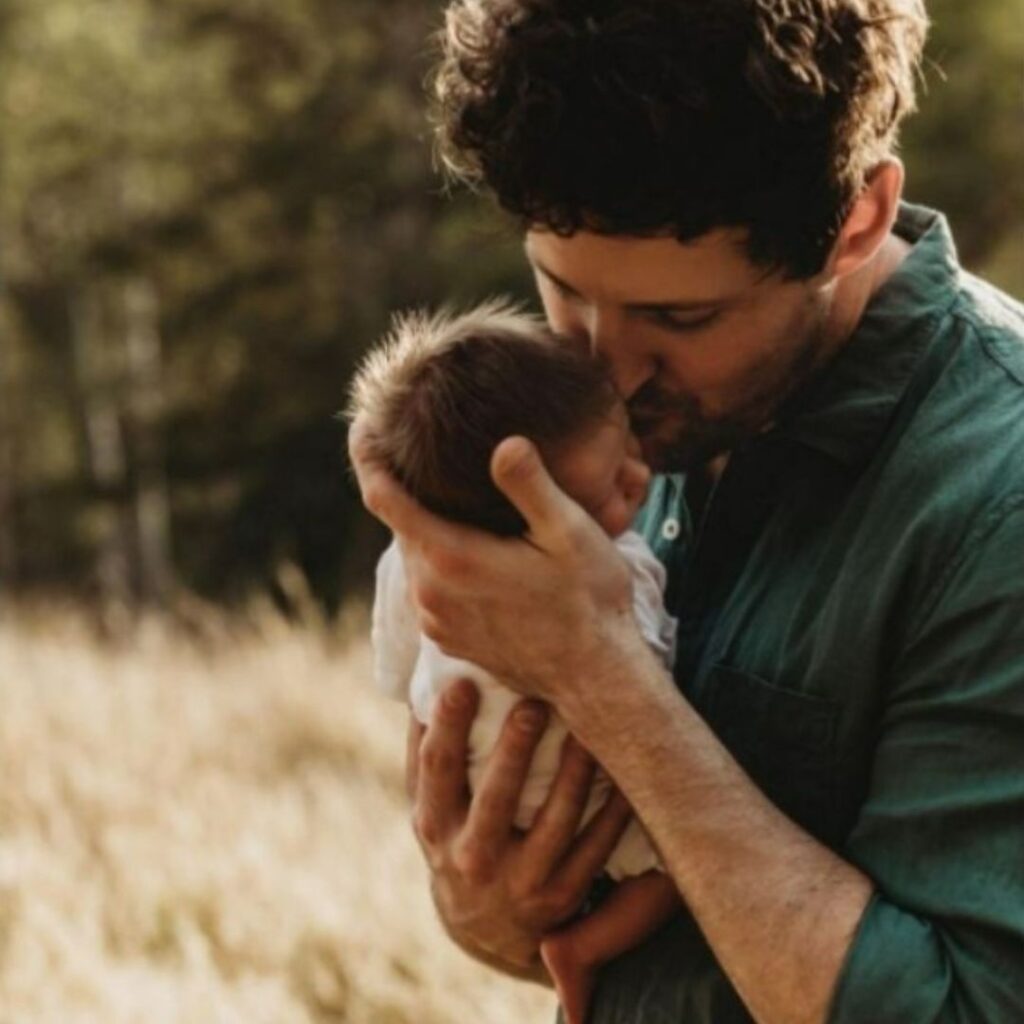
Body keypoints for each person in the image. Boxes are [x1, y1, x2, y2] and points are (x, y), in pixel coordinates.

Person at [349, 2, 1024, 1022]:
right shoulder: (593, 414)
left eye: (682, 318)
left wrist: (600, 675)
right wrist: (487, 909)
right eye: (559, 287)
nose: (603, 370)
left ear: (858, 220)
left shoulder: (996, 500)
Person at [348, 301, 681, 1024]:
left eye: (629, 448)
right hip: (587, 790)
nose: (641, 479)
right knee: (679, 871)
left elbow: (396, 659)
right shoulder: (614, 570)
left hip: (476, 781)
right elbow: (648, 673)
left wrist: (421, 702)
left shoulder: (420, 557)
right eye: (611, 489)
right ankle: (584, 949)